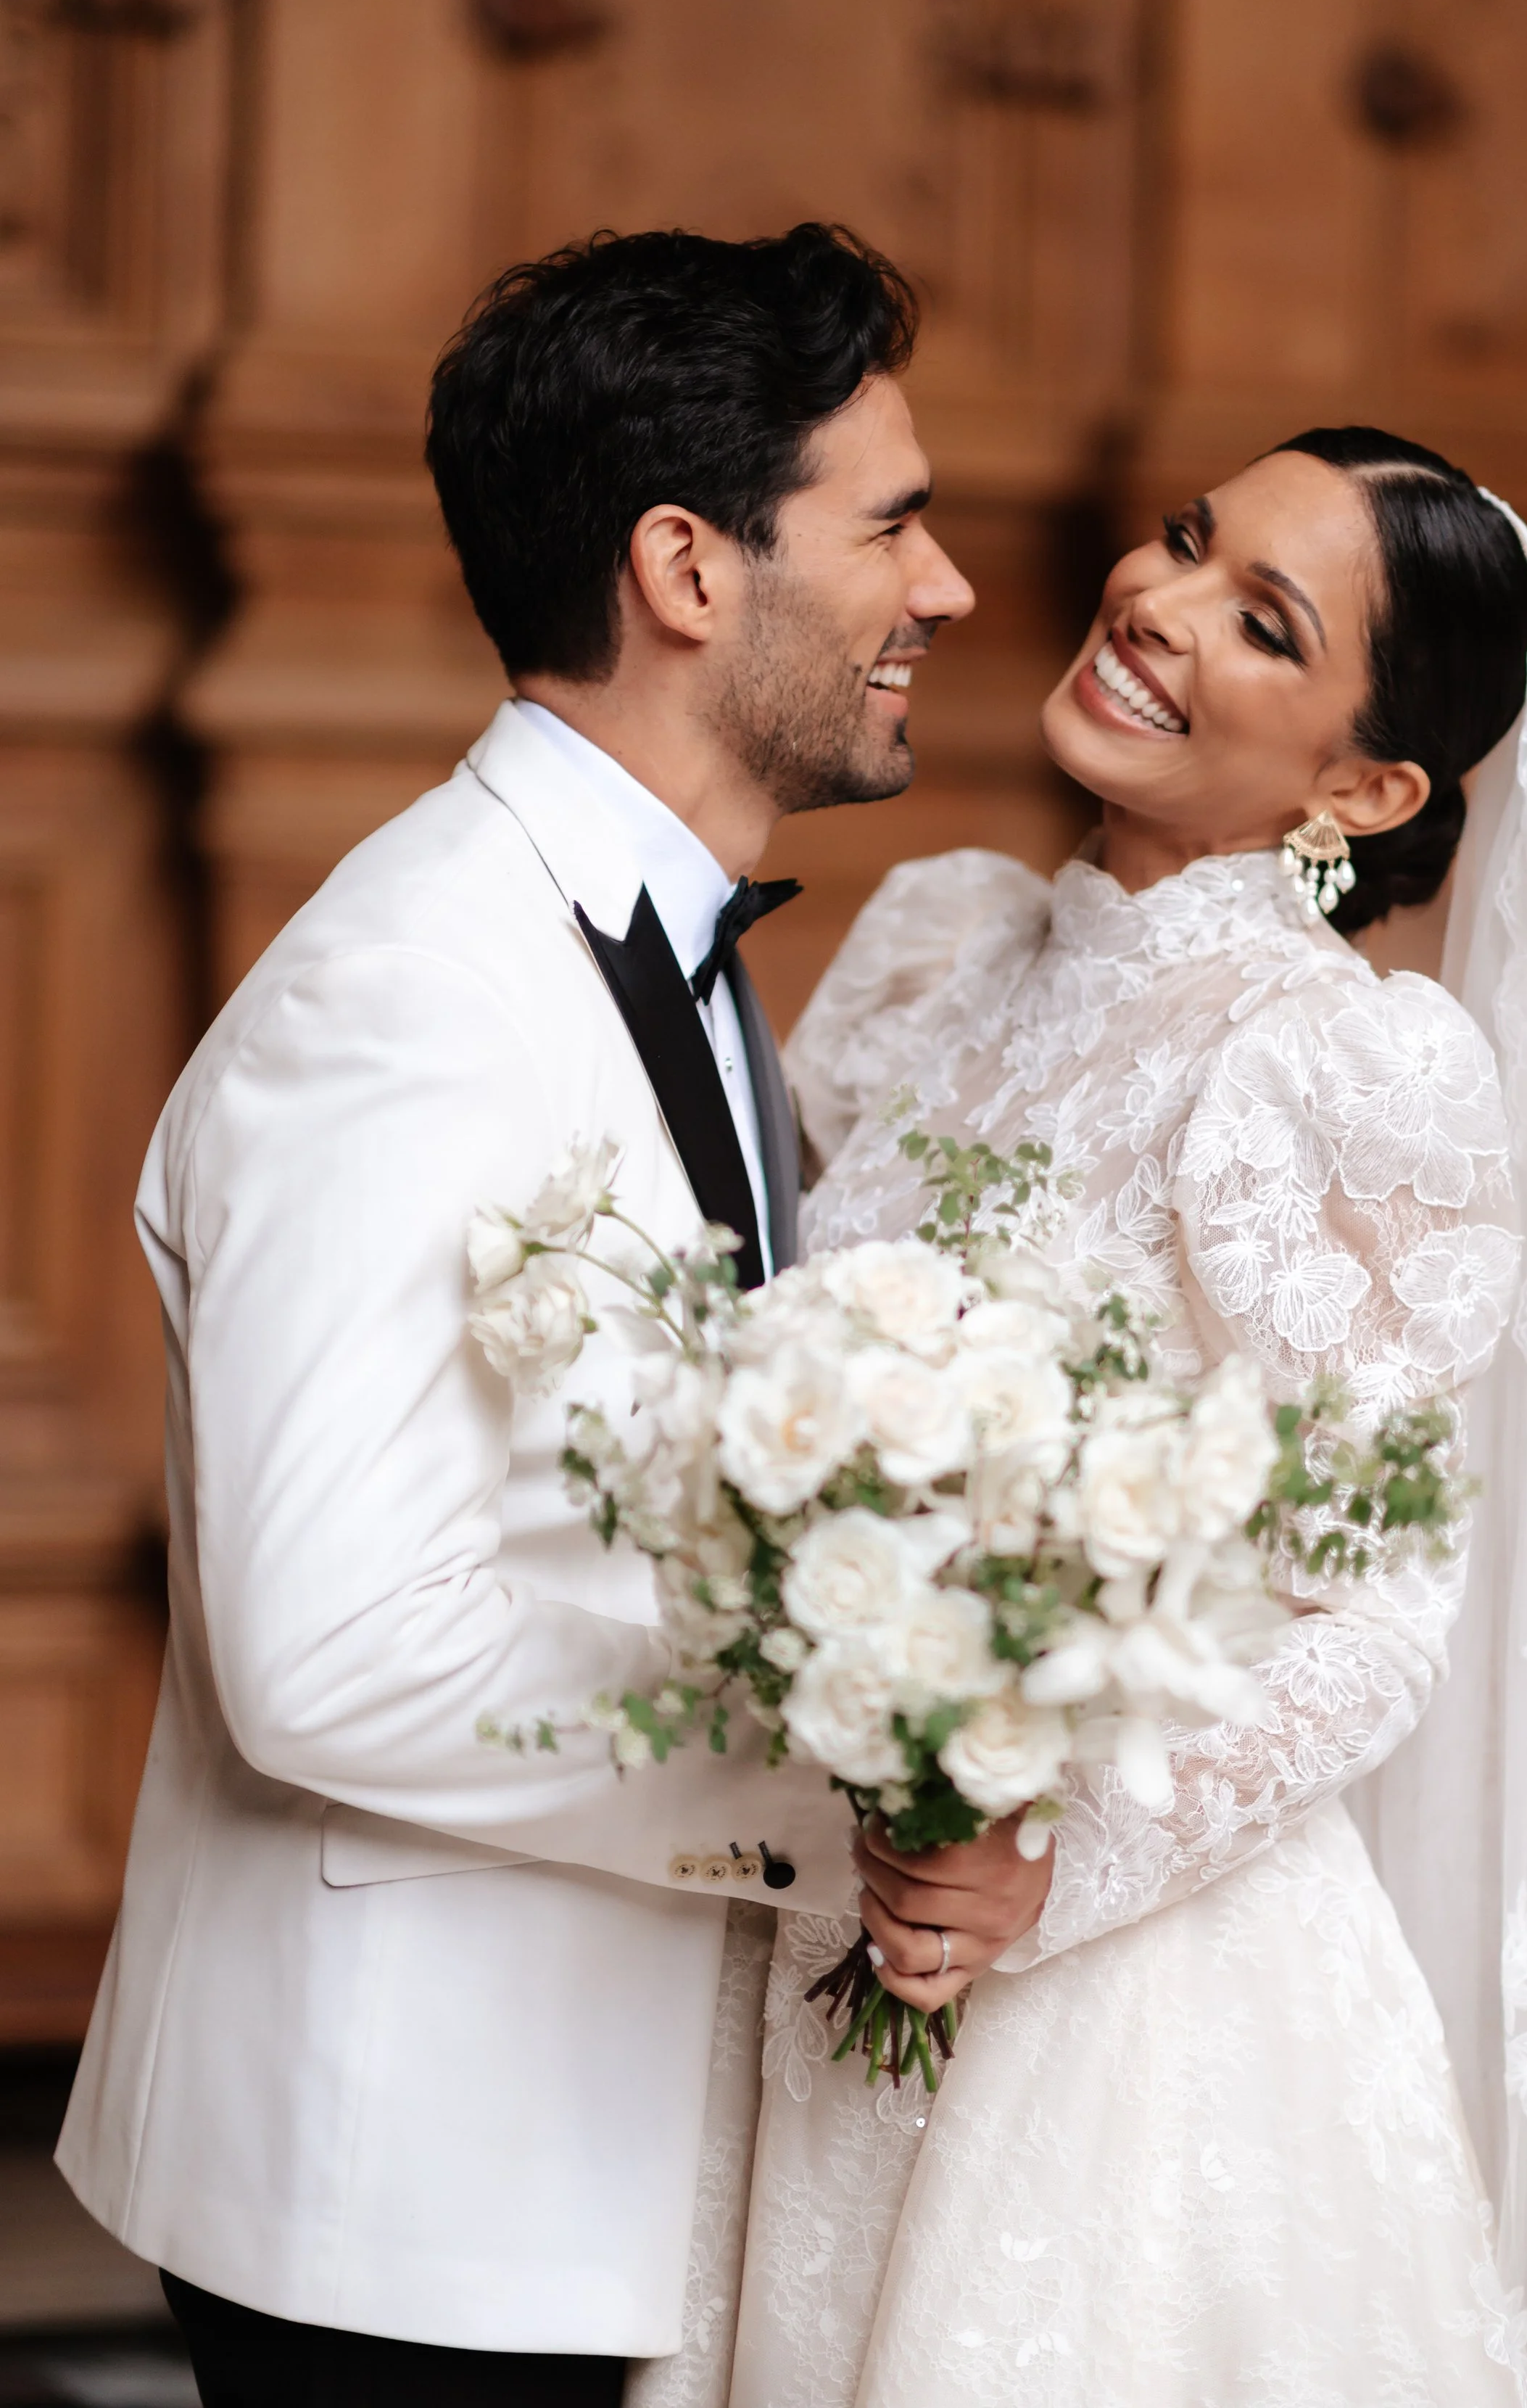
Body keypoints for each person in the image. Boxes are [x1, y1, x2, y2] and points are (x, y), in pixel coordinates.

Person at [54, 224, 1049, 2406]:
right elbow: (332, 1649)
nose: (949, 585)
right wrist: (841, 1795)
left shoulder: (655, 943)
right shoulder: (412, 989)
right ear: (688, 567)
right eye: (890, 522)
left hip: (563, 2158)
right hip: (405, 2187)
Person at [705, 432, 1527, 2407]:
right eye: (1192, 539)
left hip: (1126, 2019)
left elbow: (1377, 1619)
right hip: (825, 1923)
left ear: (1364, 788)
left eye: (1260, 621)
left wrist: (1063, 1862)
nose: (1158, 595)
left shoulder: (1339, 1067)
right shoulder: (939, 945)